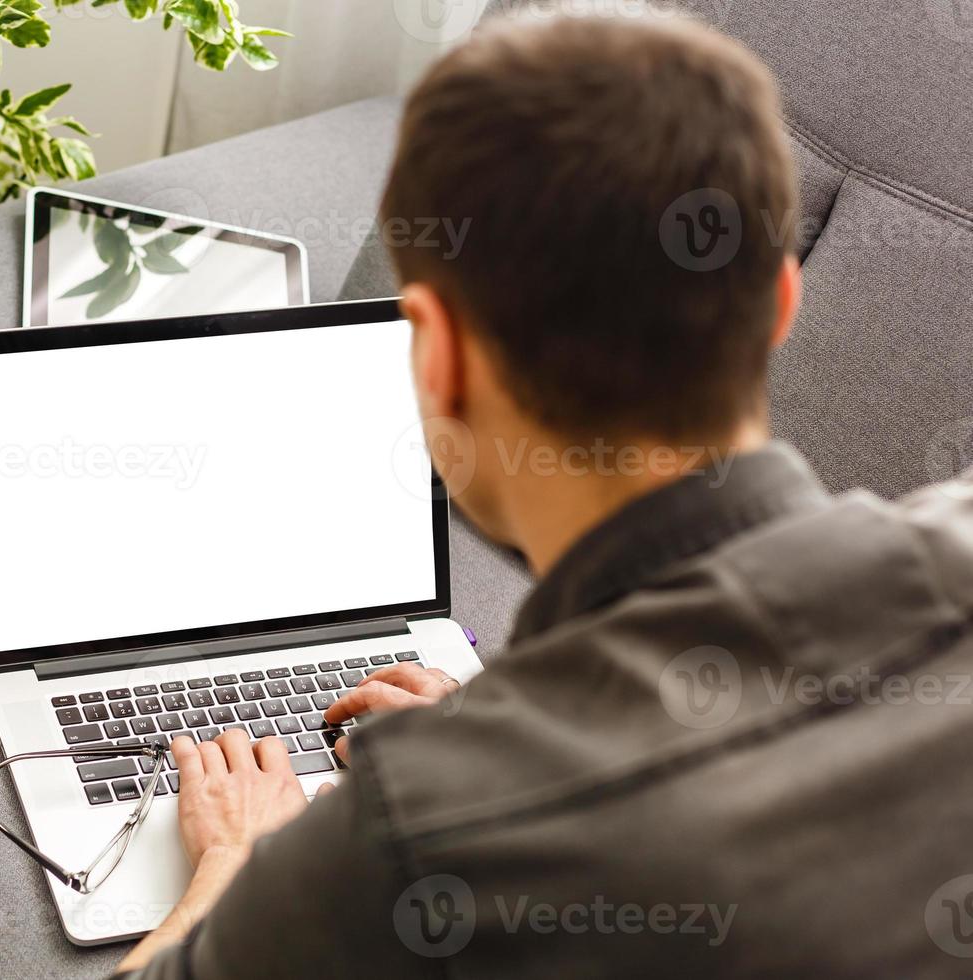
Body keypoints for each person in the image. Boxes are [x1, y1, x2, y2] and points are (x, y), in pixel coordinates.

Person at [117, 11, 973, 977]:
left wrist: (236, 859)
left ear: (436, 353)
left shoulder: (410, 843)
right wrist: (508, 727)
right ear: (780, 303)